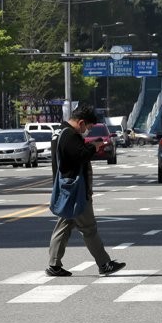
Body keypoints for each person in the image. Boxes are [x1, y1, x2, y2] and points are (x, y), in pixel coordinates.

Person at [46, 104, 125, 277]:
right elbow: (79, 155)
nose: (87, 131)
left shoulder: (59, 132)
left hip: (67, 188)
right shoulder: (69, 135)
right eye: (88, 127)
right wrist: (94, 146)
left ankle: (54, 264)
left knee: (64, 225)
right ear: (81, 122)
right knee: (88, 228)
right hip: (75, 190)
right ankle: (104, 264)